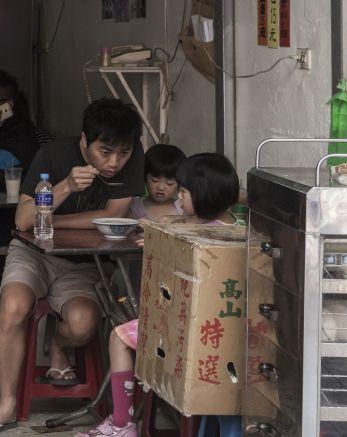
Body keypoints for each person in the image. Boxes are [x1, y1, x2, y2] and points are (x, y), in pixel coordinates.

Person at [0, 98, 144, 434]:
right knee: (13, 307)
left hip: (83, 263)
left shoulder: (133, 160)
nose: (114, 162)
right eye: (105, 151)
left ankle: (58, 344)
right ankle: (6, 404)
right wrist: (65, 187)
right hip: (33, 254)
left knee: (82, 325)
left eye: (123, 153)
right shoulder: (53, 156)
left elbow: (113, 217)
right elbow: (22, 220)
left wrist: (50, 220)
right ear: (84, 140)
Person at [77, 153, 240, 437]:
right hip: (224, 338)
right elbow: (181, 222)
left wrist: (157, 241)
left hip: (187, 337)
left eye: (185, 192)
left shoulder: (198, 236)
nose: (180, 200)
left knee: (119, 337)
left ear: (203, 195)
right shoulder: (234, 227)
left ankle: (123, 422)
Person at [128, 144, 186, 220]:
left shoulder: (184, 208)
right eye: (154, 180)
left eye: (169, 183)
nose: (161, 187)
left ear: (179, 183)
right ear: (144, 177)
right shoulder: (134, 207)